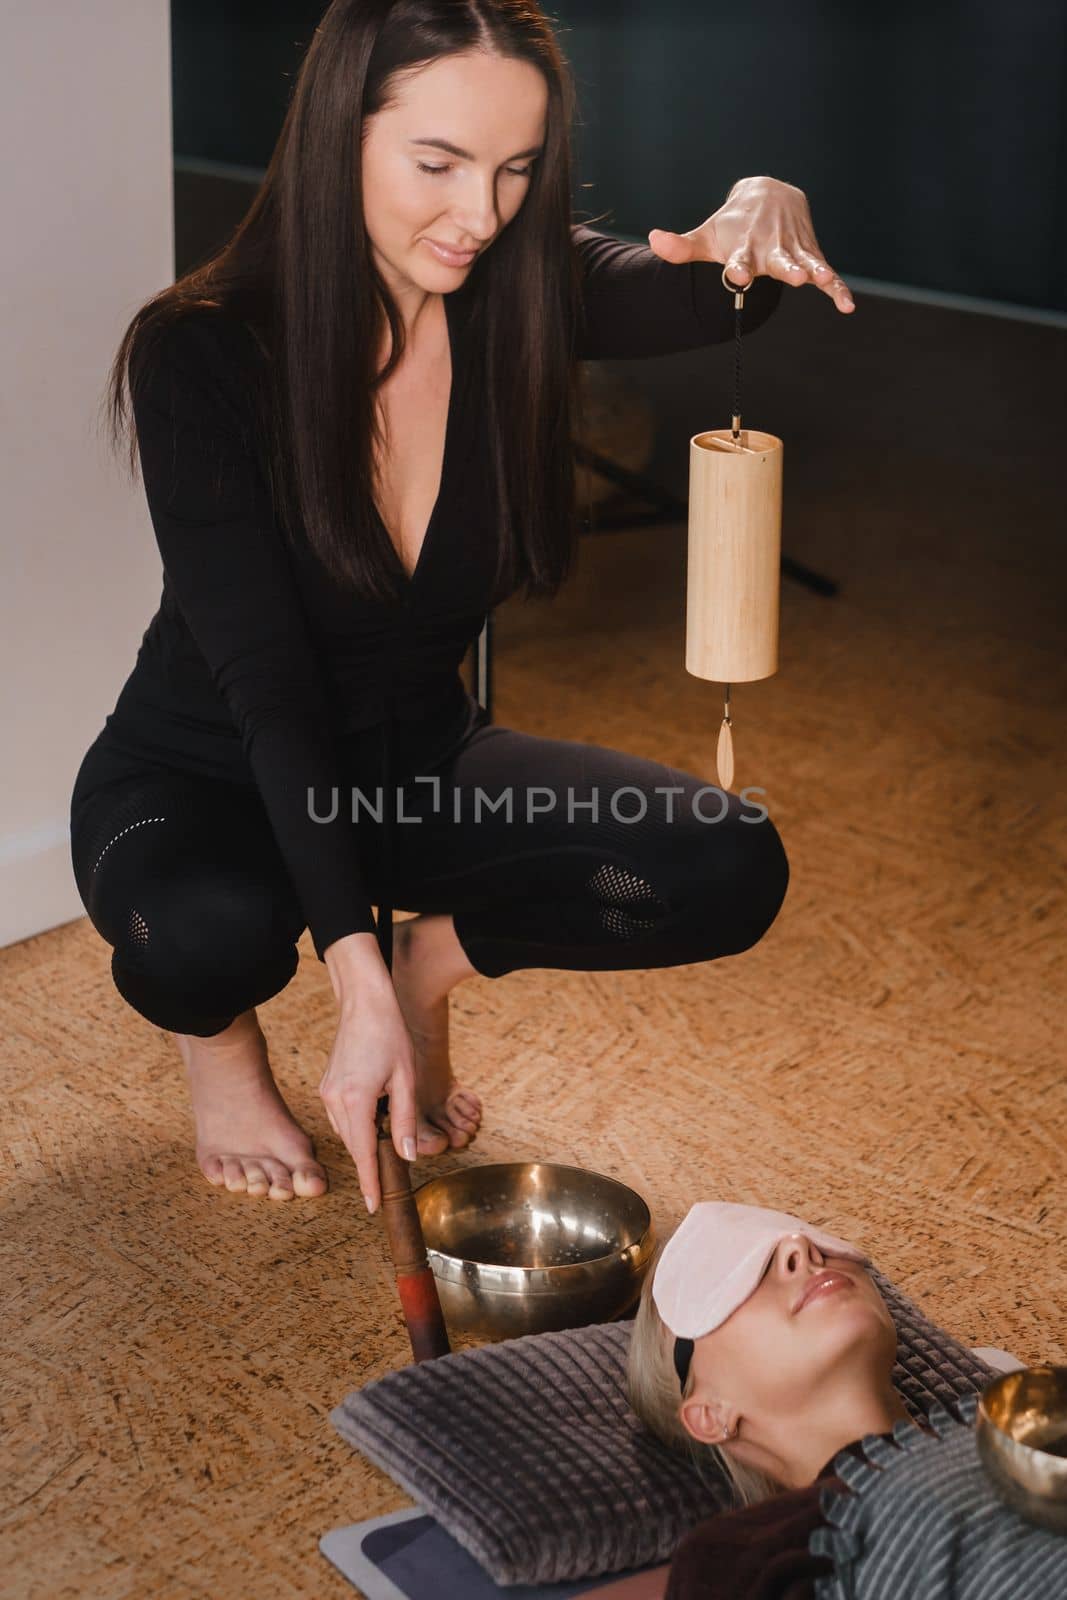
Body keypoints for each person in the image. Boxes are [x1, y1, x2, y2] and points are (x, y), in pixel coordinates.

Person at [70, 0, 855, 1212]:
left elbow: (719, 295)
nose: (480, 215)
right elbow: (269, 692)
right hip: (202, 777)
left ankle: (423, 955)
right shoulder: (202, 352)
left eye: (515, 170)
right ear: (341, 133)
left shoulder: (517, 291)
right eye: (436, 163)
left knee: (724, 863)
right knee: (209, 931)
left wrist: (768, 195)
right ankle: (219, 1052)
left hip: (414, 764)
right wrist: (350, 995)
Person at [626, 1203, 933, 1600]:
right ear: (710, 1414)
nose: (800, 1250)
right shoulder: (741, 1564)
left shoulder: (1013, 1435)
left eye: (806, 1233)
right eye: (727, 1278)